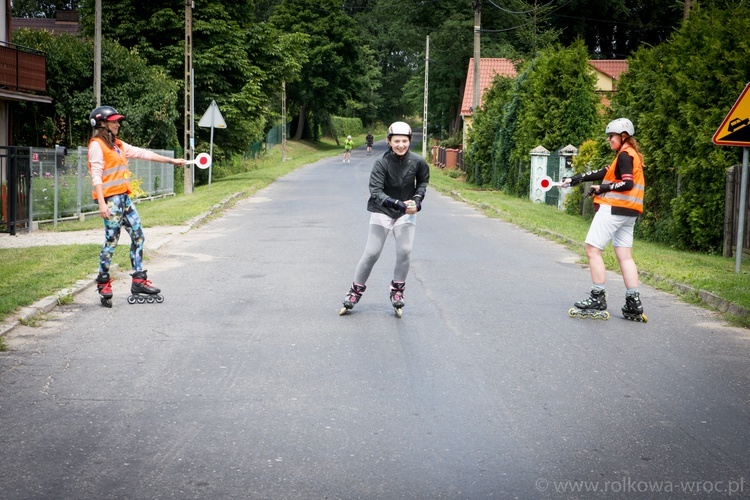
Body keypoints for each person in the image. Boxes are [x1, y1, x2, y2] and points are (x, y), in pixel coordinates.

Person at [87, 105, 187, 306]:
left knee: (138, 236)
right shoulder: (97, 145)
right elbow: (96, 175)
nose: (117, 124)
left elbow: (143, 154)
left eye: (117, 121)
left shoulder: (118, 145)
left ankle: (139, 280)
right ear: (102, 124)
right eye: (114, 121)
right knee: (111, 241)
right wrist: (101, 203)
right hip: (111, 201)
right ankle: (103, 282)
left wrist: (171, 161)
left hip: (124, 199)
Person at [339, 121, 430, 317]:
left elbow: (422, 182)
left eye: (404, 141)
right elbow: (376, 191)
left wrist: (417, 200)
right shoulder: (381, 162)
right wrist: (398, 203)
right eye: (396, 141)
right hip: (383, 210)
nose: (401, 145)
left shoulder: (417, 162)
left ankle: (397, 291)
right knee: (372, 253)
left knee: (405, 251)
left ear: (409, 141)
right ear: (389, 142)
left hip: (405, 213)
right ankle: (355, 291)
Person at [562, 117, 647, 322]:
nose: (609, 140)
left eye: (612, 136)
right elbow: (606, 173)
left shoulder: (625, 156)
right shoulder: (629, 155)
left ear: (623, 136)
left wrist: (603, 188)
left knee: (592, 249)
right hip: (630, 213)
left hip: (614, 210)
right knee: (624, 256)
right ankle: (633, 302)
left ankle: (597, 297)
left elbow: (626, 184)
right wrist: (577, 178)